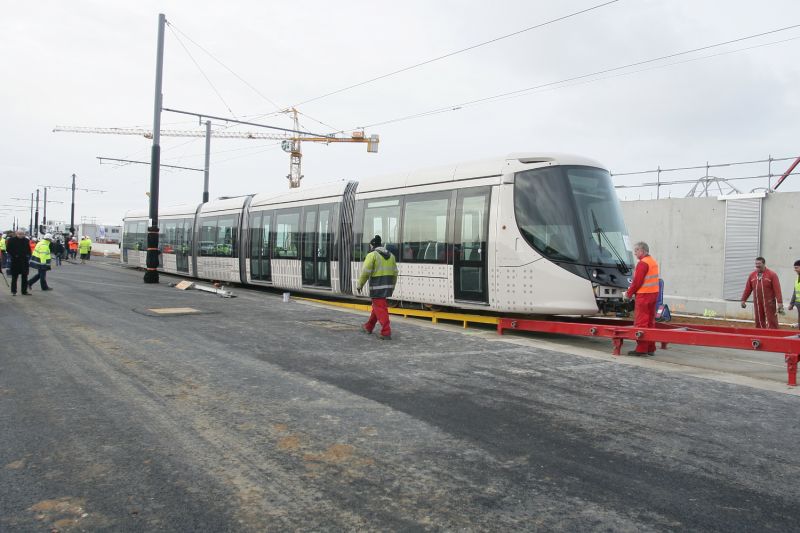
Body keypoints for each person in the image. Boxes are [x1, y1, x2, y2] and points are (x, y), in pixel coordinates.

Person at [356, 235, 398, 340]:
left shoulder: (372, 255)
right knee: (377, 307)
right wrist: (392, 287)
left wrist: (360, 284)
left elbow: (365, 272)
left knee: (380, 308)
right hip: (387, 287)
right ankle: (368, 326)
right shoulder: (391, 256)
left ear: (372, 245)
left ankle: (386, 332)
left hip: (377, 287)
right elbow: (395, 273)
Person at [624, 241, 660, 356]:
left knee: (641, 323)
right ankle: (650, 348)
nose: (635, 253)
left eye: (636, 250)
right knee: (650, 322)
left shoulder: (642, 263)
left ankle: (641, 349)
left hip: (644, 296)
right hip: (653, 294)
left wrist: (628, 294)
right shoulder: (652, 261)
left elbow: (637, 282)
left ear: (643, 250)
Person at [741, 256, 783, 329]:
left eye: (759, 263)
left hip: (769, 302)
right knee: (759, 319)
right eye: (756, 263)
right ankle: (760, 333)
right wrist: (743, 300)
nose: (757, 265)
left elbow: (777, 289)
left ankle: (773, 334)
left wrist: (780, 302)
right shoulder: (752, 275)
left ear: (764, 264)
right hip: (757, 301)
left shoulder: (772, 275)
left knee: (771, 320)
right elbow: (748, 289)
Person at [5, 230, 31, 296]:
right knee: (14, 277)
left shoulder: (26, 240)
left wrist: (28, 255)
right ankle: (14, 291)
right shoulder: (11, 240)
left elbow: (28, 249)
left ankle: (24, 291)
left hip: (24, 261)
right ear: (16, 234)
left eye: (22, 234)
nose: (21, 235)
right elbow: (8, 249)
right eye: (19, 234)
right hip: (15, 261)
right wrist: (15, 255)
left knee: (25, 277)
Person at [786, 260, 800, 329]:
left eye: (796, 267)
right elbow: (795, 292)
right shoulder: (797, 278)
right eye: (794, 268)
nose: (795, 270)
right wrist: (792, 303)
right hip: (798, 304)